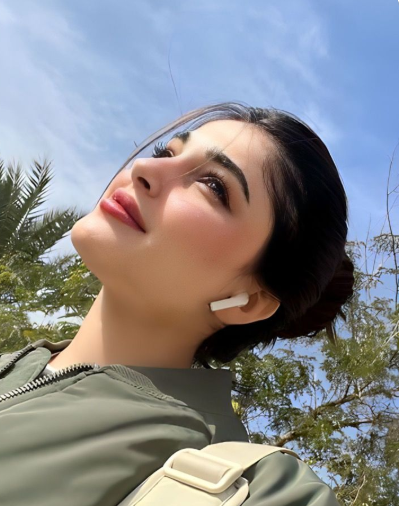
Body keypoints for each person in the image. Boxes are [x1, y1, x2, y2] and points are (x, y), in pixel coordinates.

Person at [0, 102, 354, 505]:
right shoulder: (12, 365)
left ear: (249, 302)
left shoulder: (253, 488)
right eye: (166, 153)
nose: (144, 170)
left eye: (213, 185)